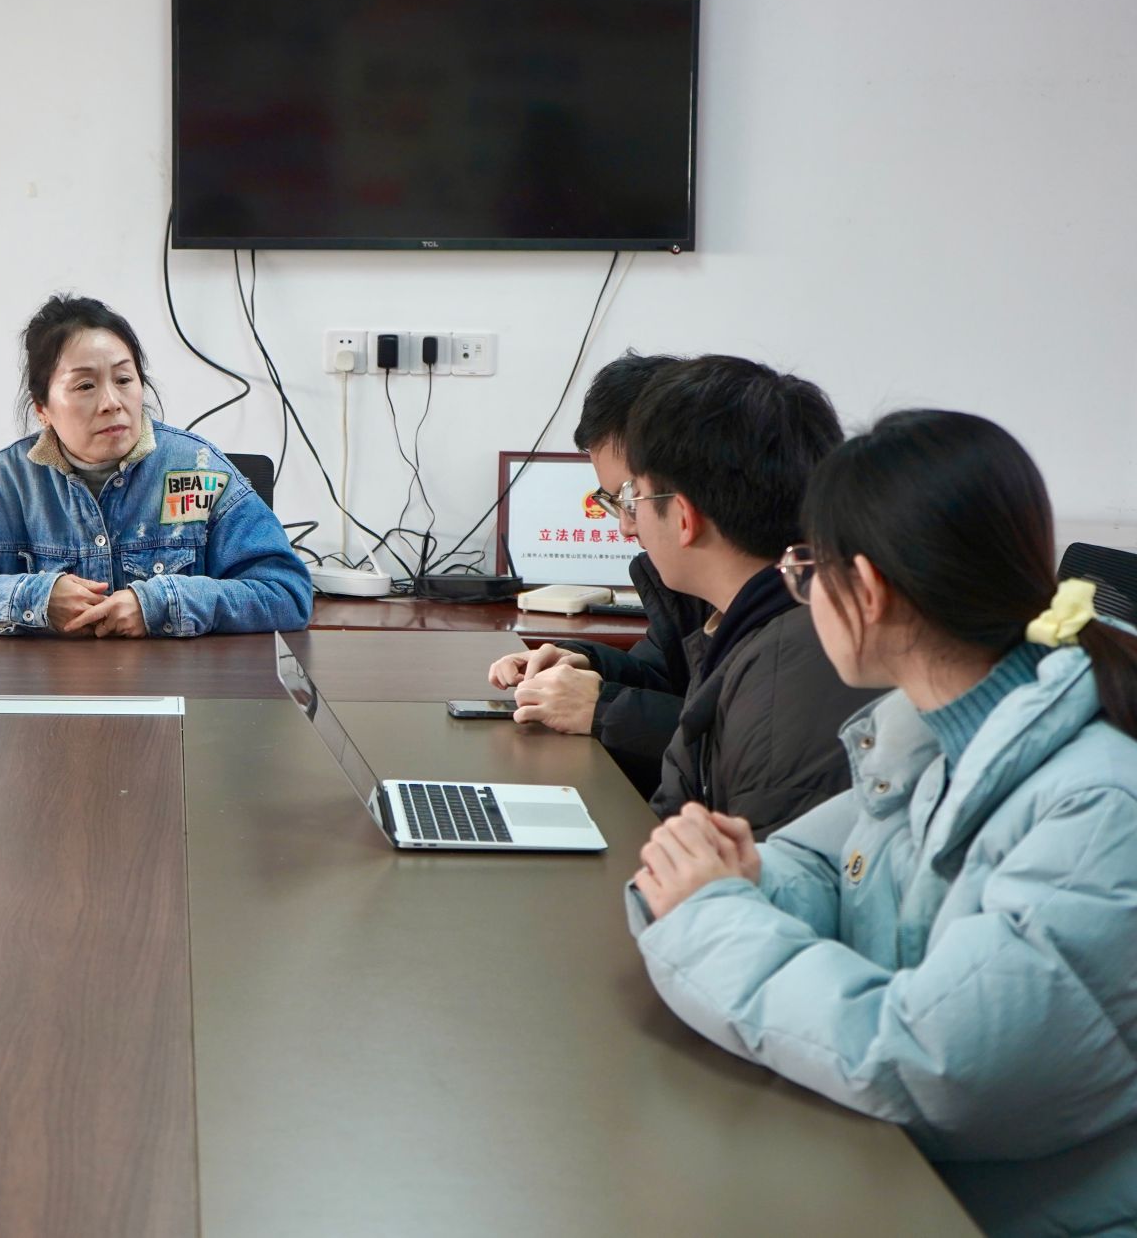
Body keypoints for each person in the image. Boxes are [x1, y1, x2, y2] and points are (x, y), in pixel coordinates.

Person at [628, 411, 1137, 1237]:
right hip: (913, 1187)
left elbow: (931, 1061)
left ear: (865, 589)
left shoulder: (1099, 807)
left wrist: (711, 909)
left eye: (806, 569)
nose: (801, 593)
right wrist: (727, 880)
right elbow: (823, 868)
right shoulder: (930, 735)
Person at [0, 294, 311, 637]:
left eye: (124, 379)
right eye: (85, 385)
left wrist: (161, 604)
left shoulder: (198, 472)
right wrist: (35, 598)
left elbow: (287, 593)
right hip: (41, 695)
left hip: (173, 692)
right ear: (43, 408)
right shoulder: (3, 486)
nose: (112, 402)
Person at [623, 355, 876, 834]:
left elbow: (759, 870)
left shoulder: (788, 674)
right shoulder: (757, 624)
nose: (626, 525)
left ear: (683, 518)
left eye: (633, 497)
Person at [487, 351, 709, 796]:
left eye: (630, 497)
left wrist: (604, 708)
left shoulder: (787, 603)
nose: (625, 526)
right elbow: (667, 679)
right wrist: (580, 660)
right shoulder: (682, 583)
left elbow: (735, 747)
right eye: (615, 501)